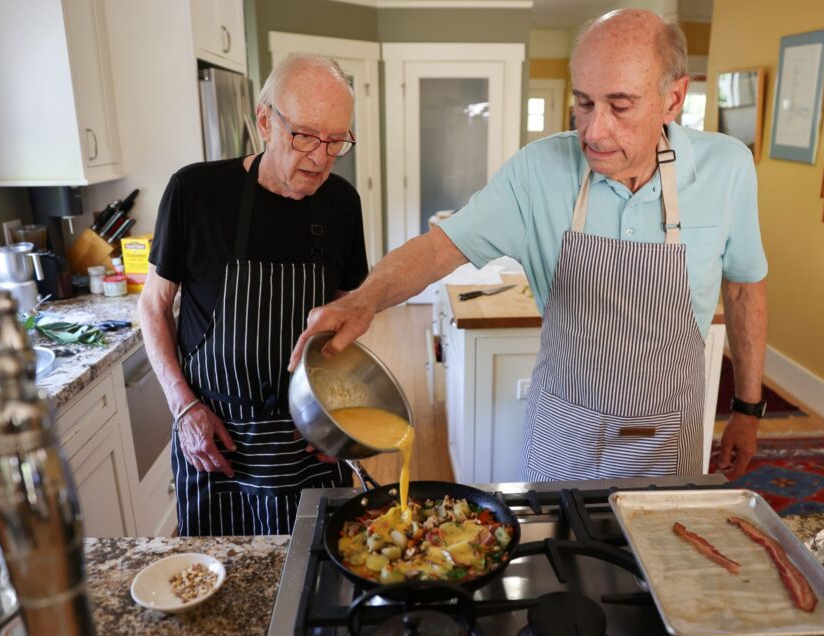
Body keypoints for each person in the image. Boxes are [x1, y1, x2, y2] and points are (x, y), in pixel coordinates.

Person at [290, 9, 769, 480]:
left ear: (673, 98)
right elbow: (439, 248)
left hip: (666, 438)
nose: (594, 131)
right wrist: (364, 300)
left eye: (620, 106)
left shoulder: (727, 170)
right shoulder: (537, 170)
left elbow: (746, 289)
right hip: (562, 433)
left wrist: (747, 409)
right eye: (583, 103)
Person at [139, 54, 368, 535]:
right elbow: (153, 306)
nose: (320, 158)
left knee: (312, 588)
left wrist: (342, 414)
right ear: (265, 120)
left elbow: (348, 321)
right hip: (218, 445)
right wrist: (183, 408)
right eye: (305, 135)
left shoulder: (343, 204)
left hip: (307, 444)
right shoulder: (195, 192)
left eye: (336, 141)